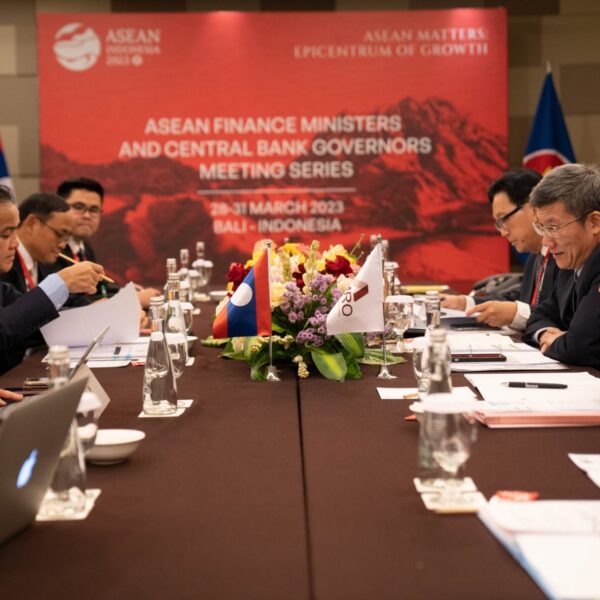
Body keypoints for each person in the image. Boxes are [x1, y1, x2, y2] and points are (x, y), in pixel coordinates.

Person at [0, 185, 104, 375]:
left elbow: (34, 322)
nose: (14, 243)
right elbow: (5, 329)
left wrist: (103, 316)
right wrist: (61, 283)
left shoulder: (4, 289)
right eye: (6, 235)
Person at [442, 169, 557, 329]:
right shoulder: (535, 257)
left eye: (503, 219)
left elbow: (560, 315)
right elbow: (522, 300)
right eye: (498, 224)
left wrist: (515, 313)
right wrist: (465, 303)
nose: (503, 233)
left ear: (532, 207)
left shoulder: (565, 254)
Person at [524, 163, 600, 368]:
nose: (546, 242)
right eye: (541, 228)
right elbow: (538, 316)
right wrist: (546, 334)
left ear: (594, 222)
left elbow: (580, 347)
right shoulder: (570, 263)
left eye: (553, 227)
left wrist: (560, 342)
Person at [56, 177, 160, 307]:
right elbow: (68, 303)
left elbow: (100, 288)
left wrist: (127, 292)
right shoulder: (52, 250)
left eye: (94, 209)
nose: (87, 215)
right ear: (59, 209)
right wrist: (131, 300)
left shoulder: (84, 247)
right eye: (79, 207)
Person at [0, 192, 93, 307]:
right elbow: (14, 313)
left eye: (67, 238)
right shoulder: (5, 265)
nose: (63, 245)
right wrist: (60, 282)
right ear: (31, 223)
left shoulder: (44, 260)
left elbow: (70, 300)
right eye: (60, 234)